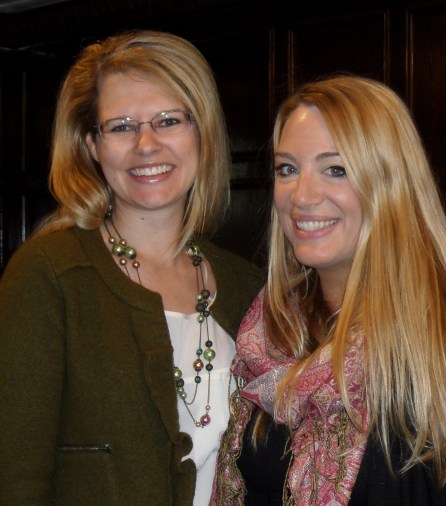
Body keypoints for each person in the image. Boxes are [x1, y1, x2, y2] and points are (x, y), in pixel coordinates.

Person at [211, 75, 446, 505]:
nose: (302, 195)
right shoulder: (268, 331)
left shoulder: (440, 355)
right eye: (287, 169)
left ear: (389, 184)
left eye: (336, 169)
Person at [0, 31, 263, 505]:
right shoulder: (49, 275)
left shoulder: (249, 286)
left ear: (201, 133)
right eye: (121, 127)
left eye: (168, 121)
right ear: (92, 144)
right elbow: (15, 477)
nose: (146, 144)